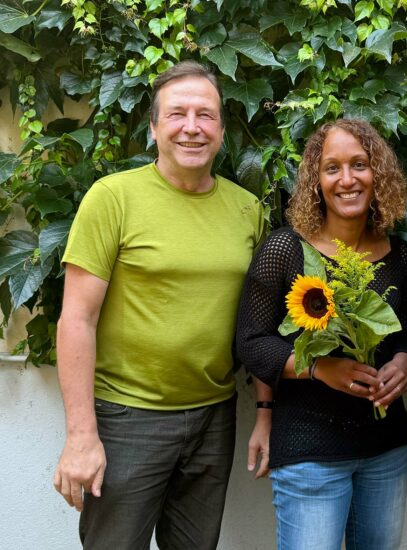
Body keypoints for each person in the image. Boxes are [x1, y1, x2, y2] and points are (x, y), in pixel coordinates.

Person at [52, 61, 264, 549]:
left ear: (222, 131)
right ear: (152, 128)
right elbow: (77, 318)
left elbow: (259, 321)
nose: (192, 127)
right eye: (176, 114)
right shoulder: (112, 199)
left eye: (205, 115)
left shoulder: (247, 209)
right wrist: (81, 435)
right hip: (128, 418)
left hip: (214, 417)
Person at [237, 119, 407, 550]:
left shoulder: (399, 254)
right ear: (315, 182)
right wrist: (319, 368)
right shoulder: (285, 250)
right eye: (332, 168)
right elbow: (251, 341)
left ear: (378, 175)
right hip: (310, 450)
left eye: (359, 165)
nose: (347, 179)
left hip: (386, 449)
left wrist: (404, 362)